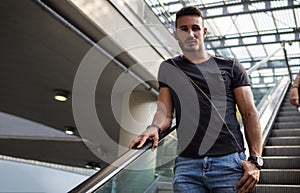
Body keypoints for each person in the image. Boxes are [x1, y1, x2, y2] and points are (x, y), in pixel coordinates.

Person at [129, 6, 262, 193]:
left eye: (195, 28)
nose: (190, 33)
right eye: (184, 29)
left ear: (204, 32)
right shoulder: (169, 68)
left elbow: (249, 113)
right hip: (187, 165)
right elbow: (165, 112)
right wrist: (154, 127)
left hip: (228, 162)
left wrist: (255, 160)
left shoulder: (230, 66)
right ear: (176, 34)